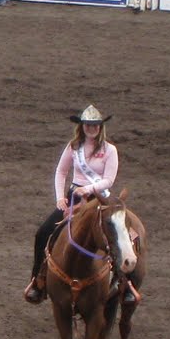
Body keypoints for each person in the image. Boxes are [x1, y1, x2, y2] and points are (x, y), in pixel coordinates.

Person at [23, 105, 122, 304]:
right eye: (87, 125)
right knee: (43, 233)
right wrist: (60, 198)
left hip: (98, 199)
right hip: (74, 197)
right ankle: (38, 281)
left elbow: (109, 180)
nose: (91, 128)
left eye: (94, 125)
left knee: (118, 235)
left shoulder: (109, 150)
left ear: (100, 127)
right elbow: (61, 172)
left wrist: (89, 189)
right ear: (82, 126)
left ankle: (123, 283)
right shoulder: (74, 146)